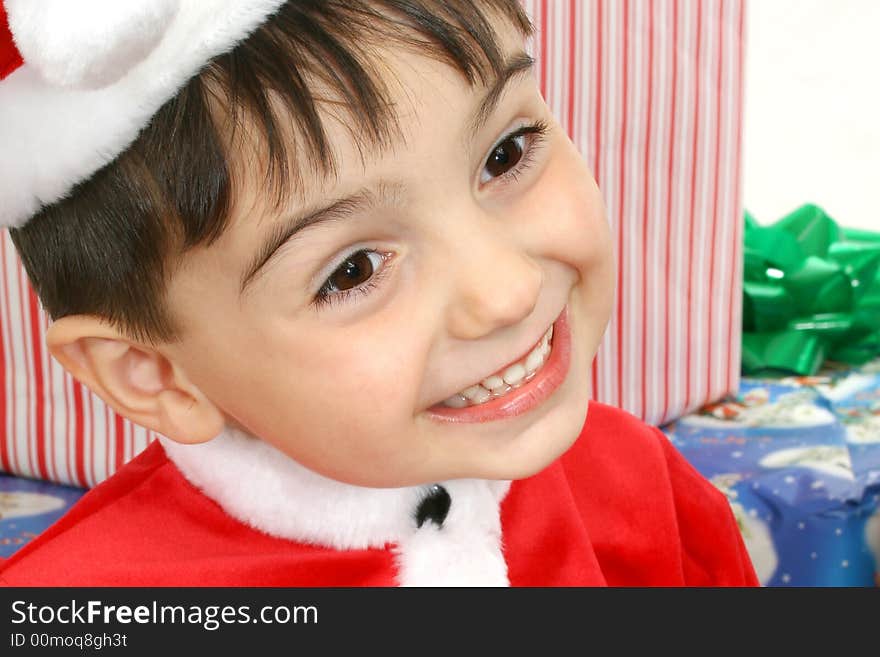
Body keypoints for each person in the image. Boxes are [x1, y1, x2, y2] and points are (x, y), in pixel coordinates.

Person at [0, 0, 758, 586]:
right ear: (154, 373)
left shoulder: (642, 485)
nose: (507, 291)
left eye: (506, 152)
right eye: (354, 270)